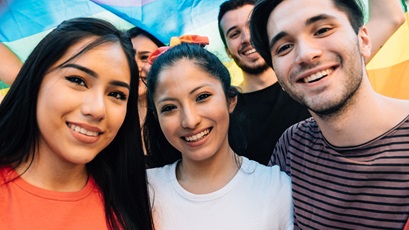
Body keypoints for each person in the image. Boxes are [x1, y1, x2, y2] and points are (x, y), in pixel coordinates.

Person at [250, 0, 409, 229]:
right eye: (284, 47)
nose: (305, 55)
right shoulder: (292, 145)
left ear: (363, 40)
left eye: (322, 30)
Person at [0, 17, 153, 229]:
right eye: (78, 80)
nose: (97, 109)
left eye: (117, 94)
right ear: (35, 78)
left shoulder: (132, 206)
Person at [217, 0, 405, 165]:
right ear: (226, 50)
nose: (247, 38)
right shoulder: (230, 111)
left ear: (363, 40)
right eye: (234, 34)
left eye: (322, 30)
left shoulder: (331, 71)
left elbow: (390, 17)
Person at [144, 43, 292, 229]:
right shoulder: (143, 190)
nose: (190, 121)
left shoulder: (276, 188)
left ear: (231, 99)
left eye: (202, 97)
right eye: (169, 108)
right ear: (157, 118)